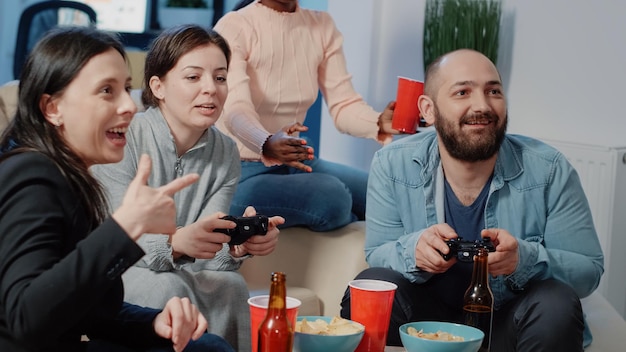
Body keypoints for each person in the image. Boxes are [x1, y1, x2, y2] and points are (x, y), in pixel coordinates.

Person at [339, 49, 604, 351]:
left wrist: (524, 259)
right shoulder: (392, 164)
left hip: (508, 323)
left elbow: (587, 271)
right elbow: (379, 251)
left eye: (493, 91)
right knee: (373, 283)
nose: (482, 105)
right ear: (429, 109)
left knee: (556, 302)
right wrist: (414, 252)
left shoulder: (550, 169)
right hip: (426, 323)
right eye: (462, 92)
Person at [0, 27, 234, 352]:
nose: (130, 106)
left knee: (205, 346)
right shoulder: (33, 174)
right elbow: (24, 322)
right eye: (107, 91)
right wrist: (125, 226)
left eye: (126, 88)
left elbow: (86, 312)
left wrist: (153, 323)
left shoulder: (72, 179)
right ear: (53, 108)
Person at [91, 24, 285, 351]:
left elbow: (207, 255)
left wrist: (236, 244)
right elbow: (113, 235)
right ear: (159, 86)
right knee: (167, 287)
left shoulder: (225, 152)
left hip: (177, 267)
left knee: (231, 285)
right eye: (193, 77)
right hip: (114, 269)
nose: (211, 89)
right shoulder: (123, 136)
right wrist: (175, 242)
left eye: (220, 77)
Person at [213, 0, 399, 232]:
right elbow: (234, 108)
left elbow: (344, 104)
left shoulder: (321, 25)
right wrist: (266, 142)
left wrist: (378, 121)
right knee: (333, 196)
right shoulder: (234, 26)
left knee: (391, 194)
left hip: (299, 158)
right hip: (240, 172)